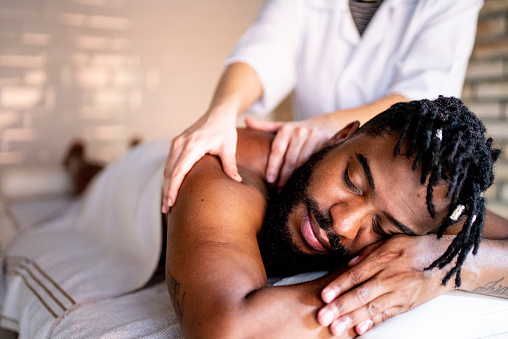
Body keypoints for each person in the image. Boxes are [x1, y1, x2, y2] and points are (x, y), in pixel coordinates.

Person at [63, 97, 506, 337]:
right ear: (340, 138)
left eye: (384, 229)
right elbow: (227, 331)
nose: (345, 222)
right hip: (137, 187)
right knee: (97, 177)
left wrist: (449, 265)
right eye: (353, 180)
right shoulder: (226, 172)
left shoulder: (422, 207)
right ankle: (82, 161)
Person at [161, 0, 483, 212]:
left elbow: (423, 100)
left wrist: (325, 125)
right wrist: (221, 113)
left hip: (397, 174)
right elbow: (265, 50)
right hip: (308, 164)